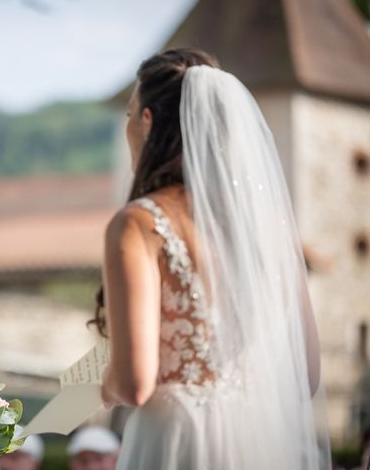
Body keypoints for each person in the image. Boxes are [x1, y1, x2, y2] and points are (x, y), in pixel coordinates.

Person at [95, 48, 330, 468]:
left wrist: (104, 382)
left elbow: (134, 385)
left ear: (147, 122)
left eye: (129, 115)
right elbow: (306, 376)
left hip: (177, 443)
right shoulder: (268, 229)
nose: (128, 127)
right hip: (258, 444)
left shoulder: (139, 223)